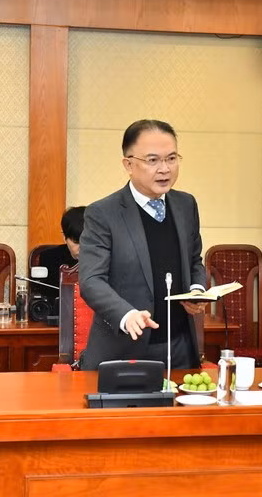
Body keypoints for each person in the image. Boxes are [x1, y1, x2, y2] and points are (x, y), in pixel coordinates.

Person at [79, 119, 206, 370]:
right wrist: (127, 315)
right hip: (125, 348)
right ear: (128, 164)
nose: (164, 169)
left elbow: (194, 260)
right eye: (152, 160)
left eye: (171, 158)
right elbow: (91, 280)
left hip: (180, 347)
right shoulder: (103, 213)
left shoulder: (185, 205)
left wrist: (198, 290)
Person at [36, 206, 85, 306]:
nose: (82, 247)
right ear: (64, 237)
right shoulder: (49, 258)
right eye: (76, 242)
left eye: (87, 241)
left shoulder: (105, 258)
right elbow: (44, 299)